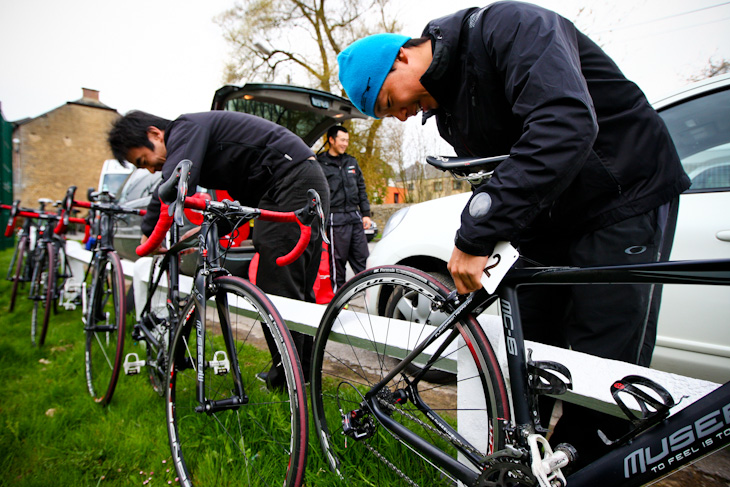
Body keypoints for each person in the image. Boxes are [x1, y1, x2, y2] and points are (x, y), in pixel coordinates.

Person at [337, 1, 690, 466]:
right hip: (551, 215)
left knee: (602, 355)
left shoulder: (509, 28)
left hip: (621, 194)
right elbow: (506, 173)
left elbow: (563, 125)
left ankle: (585, 461)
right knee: (529, 345)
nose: (400, 117)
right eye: (387, 115)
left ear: (401, 58)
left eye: (387, 102)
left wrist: (476, 234)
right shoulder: (446, 111)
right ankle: (526, 461)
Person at [108, 109, 330, 385]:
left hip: (289, 183)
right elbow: (241, 201)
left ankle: (289, 379)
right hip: (304, 181)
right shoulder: (202, 136)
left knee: (277, 286)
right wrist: (207, 228)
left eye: (144, 160)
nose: (151, 169)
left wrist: (147, 232)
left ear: (154, 133)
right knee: (297, 286)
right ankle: (303, 375)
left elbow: (174, 182)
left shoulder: (184, 127)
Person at [317, 125, 372, 291]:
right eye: (342, 140)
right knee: (338, 262)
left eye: (347, 140)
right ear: (331, 140)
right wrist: (321, 221)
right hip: (335, 218)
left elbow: (361, 188)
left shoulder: (351, 162)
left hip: (354, 216)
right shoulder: (320, 163)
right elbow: (317, 194)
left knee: (363, 258)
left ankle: (368, 294)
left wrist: (366, 214)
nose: (345, 144)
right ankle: (339, 301)